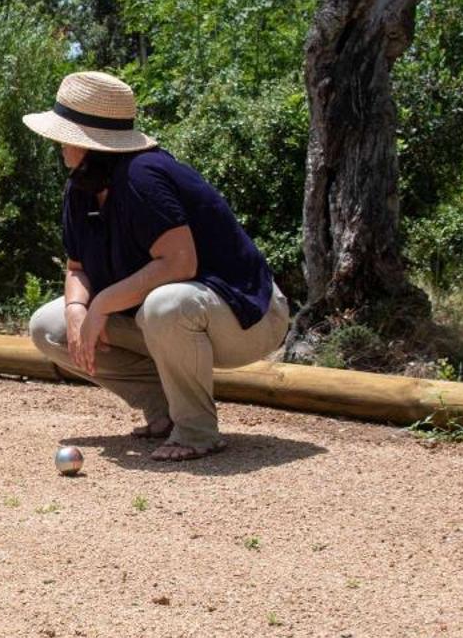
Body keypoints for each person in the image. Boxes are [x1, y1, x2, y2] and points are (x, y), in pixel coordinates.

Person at [22, 70, 289, 460]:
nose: (58, 145)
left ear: (90, 142)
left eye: (65, 135)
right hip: (173, 321)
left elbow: (179, 263)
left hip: (249, 319)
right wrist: (79, 308)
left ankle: (197, 430)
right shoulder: (80, 188)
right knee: (51, 327)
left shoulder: (142, 177)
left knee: (165, 305)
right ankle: (165, 412)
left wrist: (102, 304)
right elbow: (76, 267)